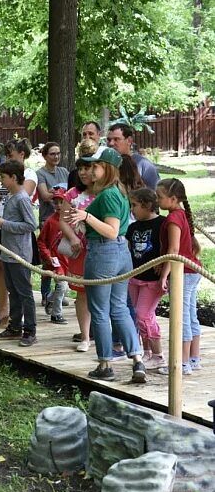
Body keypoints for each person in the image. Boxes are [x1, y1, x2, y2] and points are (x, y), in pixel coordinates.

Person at [63, 147, 146, 383]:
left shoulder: (109, 194)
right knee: (119, 308)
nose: (89, 170)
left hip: (104, 252)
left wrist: (86, 217)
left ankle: (105, 363)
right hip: (121, 253)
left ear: (106, 168)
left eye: (94, 166)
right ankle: (137, 360)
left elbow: (110, 231)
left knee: (99, 310)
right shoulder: (118, 191)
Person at [156, 178, 203, 375]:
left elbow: (173, 250)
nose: (157, 200)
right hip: (192, 271)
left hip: (182, 272)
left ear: (173, 198)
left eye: (160, 197)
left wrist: (164, 274)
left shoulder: (173, 218)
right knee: (190, 315)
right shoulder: (181, 214)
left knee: (181, 317)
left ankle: (182, 362)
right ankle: (193, 357)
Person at [0, 160, 37, 346]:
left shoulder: (22, 198)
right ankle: (15, 325)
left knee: (24, 292)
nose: (1, 181)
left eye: (3, 177)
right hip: (8, 252)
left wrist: (5, 224)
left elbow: (31, 225)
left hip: (19, 254)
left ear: (13, 177)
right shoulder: (10, 196)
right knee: (14, 292)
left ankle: (30, 330)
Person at [60, 141, 98, 352]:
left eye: (87, 168)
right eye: (80, 168)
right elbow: (63, 220)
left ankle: (105, 335)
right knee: (82, 293)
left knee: (102, 292)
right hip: (79, 249)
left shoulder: (104, 192)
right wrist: (73, 238)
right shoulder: (72, 194)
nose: (83, 172)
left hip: (101, 248)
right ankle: (85, 336)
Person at [126, 188, 166, 369]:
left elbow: (171, 247)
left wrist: (165, 271)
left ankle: (158, 355)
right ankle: (147, 351)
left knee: (144, 315)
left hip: (153, 279)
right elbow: (128, 250)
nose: (132, 209)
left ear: (148, 205)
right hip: (135, 277)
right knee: (139, 315)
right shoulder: (133, 227)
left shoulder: (162, 224)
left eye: (134, 205)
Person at [36, 188, 69, 325]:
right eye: (56, 203)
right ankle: (56, 314)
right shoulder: (50, 221)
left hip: (68, 260)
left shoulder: (72, 219)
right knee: (61, 286)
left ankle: (49, 298)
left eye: (62, 202)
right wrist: (47, 256)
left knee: (66, 287)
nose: (59, 206)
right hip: (55, 261)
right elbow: (41, 241)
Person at [107, 123, 159, 191]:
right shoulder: (105, 164)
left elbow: (156, 194)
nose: (111, 143)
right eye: (109, 140)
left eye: (116, 139)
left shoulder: (144, 165)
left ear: (129, 141)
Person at [68, 121, 102, 189]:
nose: (87, 137)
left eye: (91, 133)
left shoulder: (106, 164)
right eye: (84, 134)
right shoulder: (74, 175)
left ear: (99, 135)